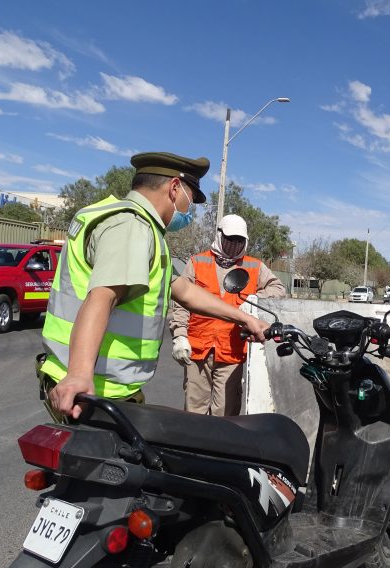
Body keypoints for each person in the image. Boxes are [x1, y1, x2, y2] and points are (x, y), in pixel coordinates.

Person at [38, 152, 269, 421]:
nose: (189, 209)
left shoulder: (132, 224)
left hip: (99, 385)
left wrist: (244, 319)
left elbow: (182, 289)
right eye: (190, 200)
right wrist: (79, 374)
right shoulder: (131, 226)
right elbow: (103, 297)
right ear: (174, 188)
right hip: (92, 392)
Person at [169, 214, 286, 416]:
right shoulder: (198, 262)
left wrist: (253, 298)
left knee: (226, 412)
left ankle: (222, 447)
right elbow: (181, 303)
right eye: (230, 239)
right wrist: (180, 335)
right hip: (199, 350)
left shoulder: (253, 266)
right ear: (219, 235)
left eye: (239, 240)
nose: (234, 244)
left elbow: (278, 289)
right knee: (194, 411)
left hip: (231, 350)